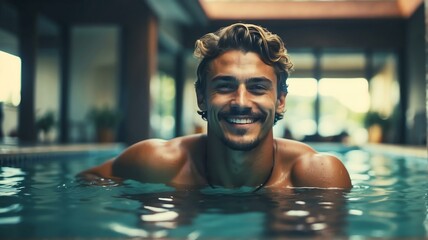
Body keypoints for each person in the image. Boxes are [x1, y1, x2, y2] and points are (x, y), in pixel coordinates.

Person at [80, 23, 352, 191]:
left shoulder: (316, 175)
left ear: (280, 100)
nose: (242, 102)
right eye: (225, 86)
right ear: (202, 96)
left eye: (257, 87)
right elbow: (88, 180)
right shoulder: (160, 163)